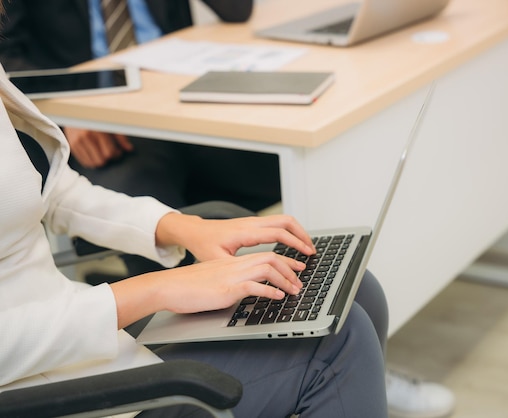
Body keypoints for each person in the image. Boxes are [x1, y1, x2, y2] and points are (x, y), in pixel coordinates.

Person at [0, 2, 456, 416]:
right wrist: (156, 289)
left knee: (351, 289)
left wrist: (182, 227)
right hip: (45, 386)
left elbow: (50, 187)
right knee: (340, 340)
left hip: (77, 335)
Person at [0, 0, 282, 279]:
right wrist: (62, 114)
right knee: (135, 188)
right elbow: (6, 57)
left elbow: (237, 10)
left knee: (284, 167)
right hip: (99, 129)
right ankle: (179, 306)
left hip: (180, 112)